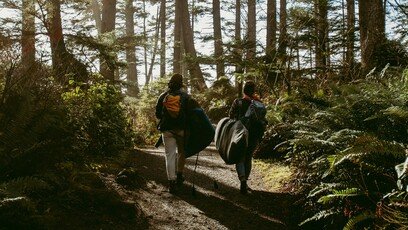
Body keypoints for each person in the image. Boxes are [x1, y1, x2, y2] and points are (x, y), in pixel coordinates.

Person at [155, 73, 190, 193]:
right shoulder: (185, 96)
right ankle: (179, 175)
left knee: (169, 156)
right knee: (181, 152)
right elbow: (191, 114)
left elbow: (158, 114)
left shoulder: (163, 96)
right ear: (181, 84)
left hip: (167, 130)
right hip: (181, 130)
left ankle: (171, 183)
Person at [229, 81, 265, 194]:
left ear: (244, 90)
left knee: (240, 157)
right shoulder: (259, 103)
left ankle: (243, 180)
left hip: (240, 133)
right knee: (248, 157)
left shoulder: (237, 102)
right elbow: (263, 118)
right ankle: (245, 183)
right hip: (254, 134)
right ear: (253, 91)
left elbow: (231, 116)